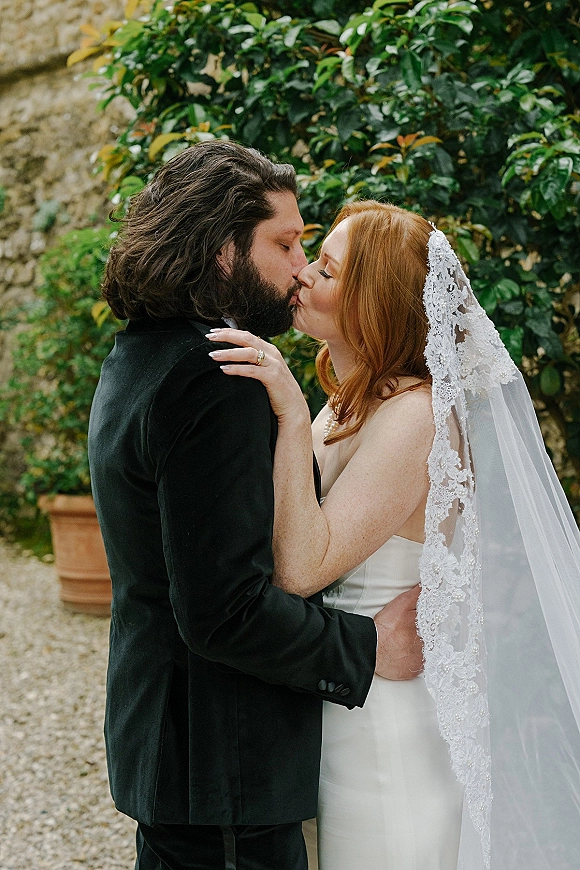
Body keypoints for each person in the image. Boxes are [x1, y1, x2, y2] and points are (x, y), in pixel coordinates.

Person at [208, 200, 580, 870]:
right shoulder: (352, 399)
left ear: (373, 302)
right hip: (345, 690)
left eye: (326, 269)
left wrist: (289, 414)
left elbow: (303, 567)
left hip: (384, 724)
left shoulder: (413, 415)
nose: (302, 278)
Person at [87, 144, 424, 870]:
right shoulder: (220, 377)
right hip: (224, 766)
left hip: (174, 753)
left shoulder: (139, 355)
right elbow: (225, 610)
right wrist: (368, 648)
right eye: (285, 243)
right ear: (221, 253)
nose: (299, 266)